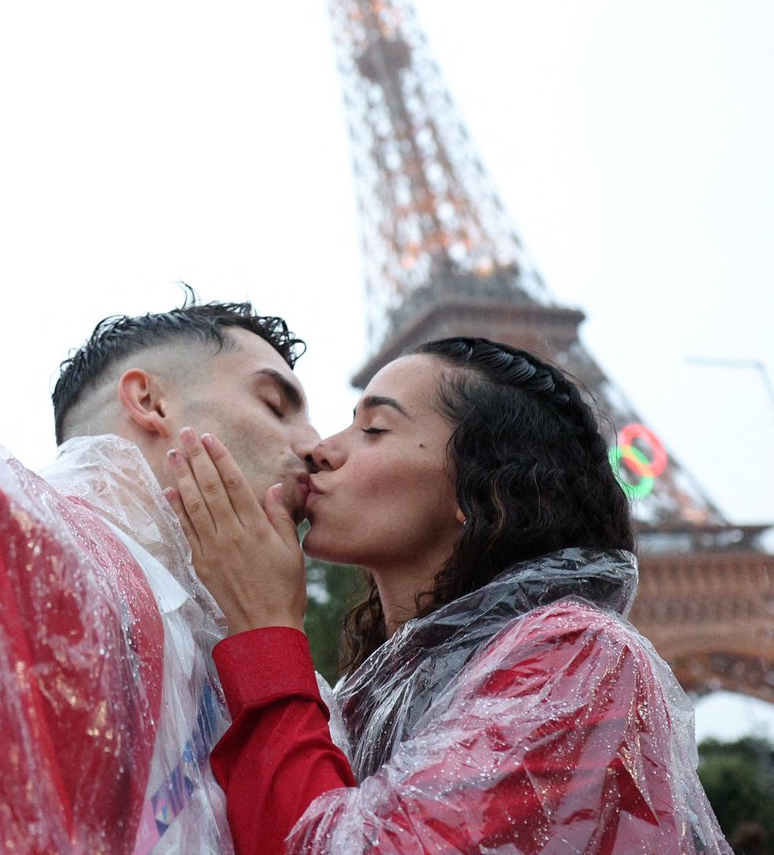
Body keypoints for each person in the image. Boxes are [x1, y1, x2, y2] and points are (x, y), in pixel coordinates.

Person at [168, 336, 733, 855]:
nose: (320, 449)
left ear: (484, 489)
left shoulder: (580, 655)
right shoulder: (377, 691)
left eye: (375, 429)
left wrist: (265, 631)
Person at [0, 295, 320, 855]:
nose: (315, 445)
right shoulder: (24, 538)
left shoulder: (234, 667)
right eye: (277, 405)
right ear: (149, 400)